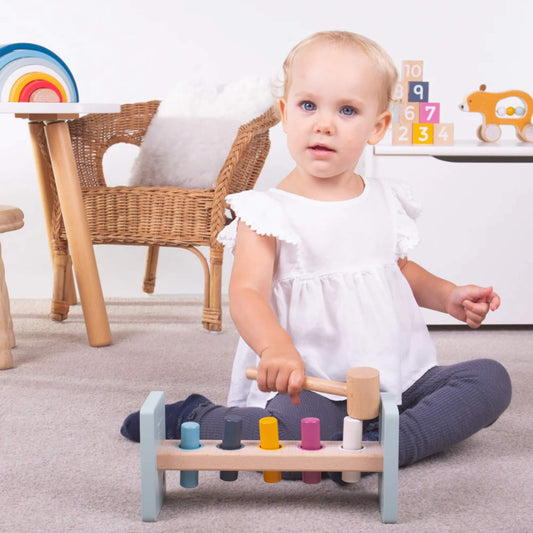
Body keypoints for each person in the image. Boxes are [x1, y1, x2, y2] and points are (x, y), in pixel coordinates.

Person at [121, 31, 511, 472]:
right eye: (309, 106)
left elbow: (398, 269)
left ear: (377, 127)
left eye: (347, 110)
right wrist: (275, 348)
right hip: (311, 384)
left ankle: (393, 442)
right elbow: (247, 292)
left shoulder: (384, 198)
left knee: (490, 379)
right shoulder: (266, 211)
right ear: (286, 114)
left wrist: (447, 296)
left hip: (398, 380)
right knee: (293, 434)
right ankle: (196, 415)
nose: (324, 124)